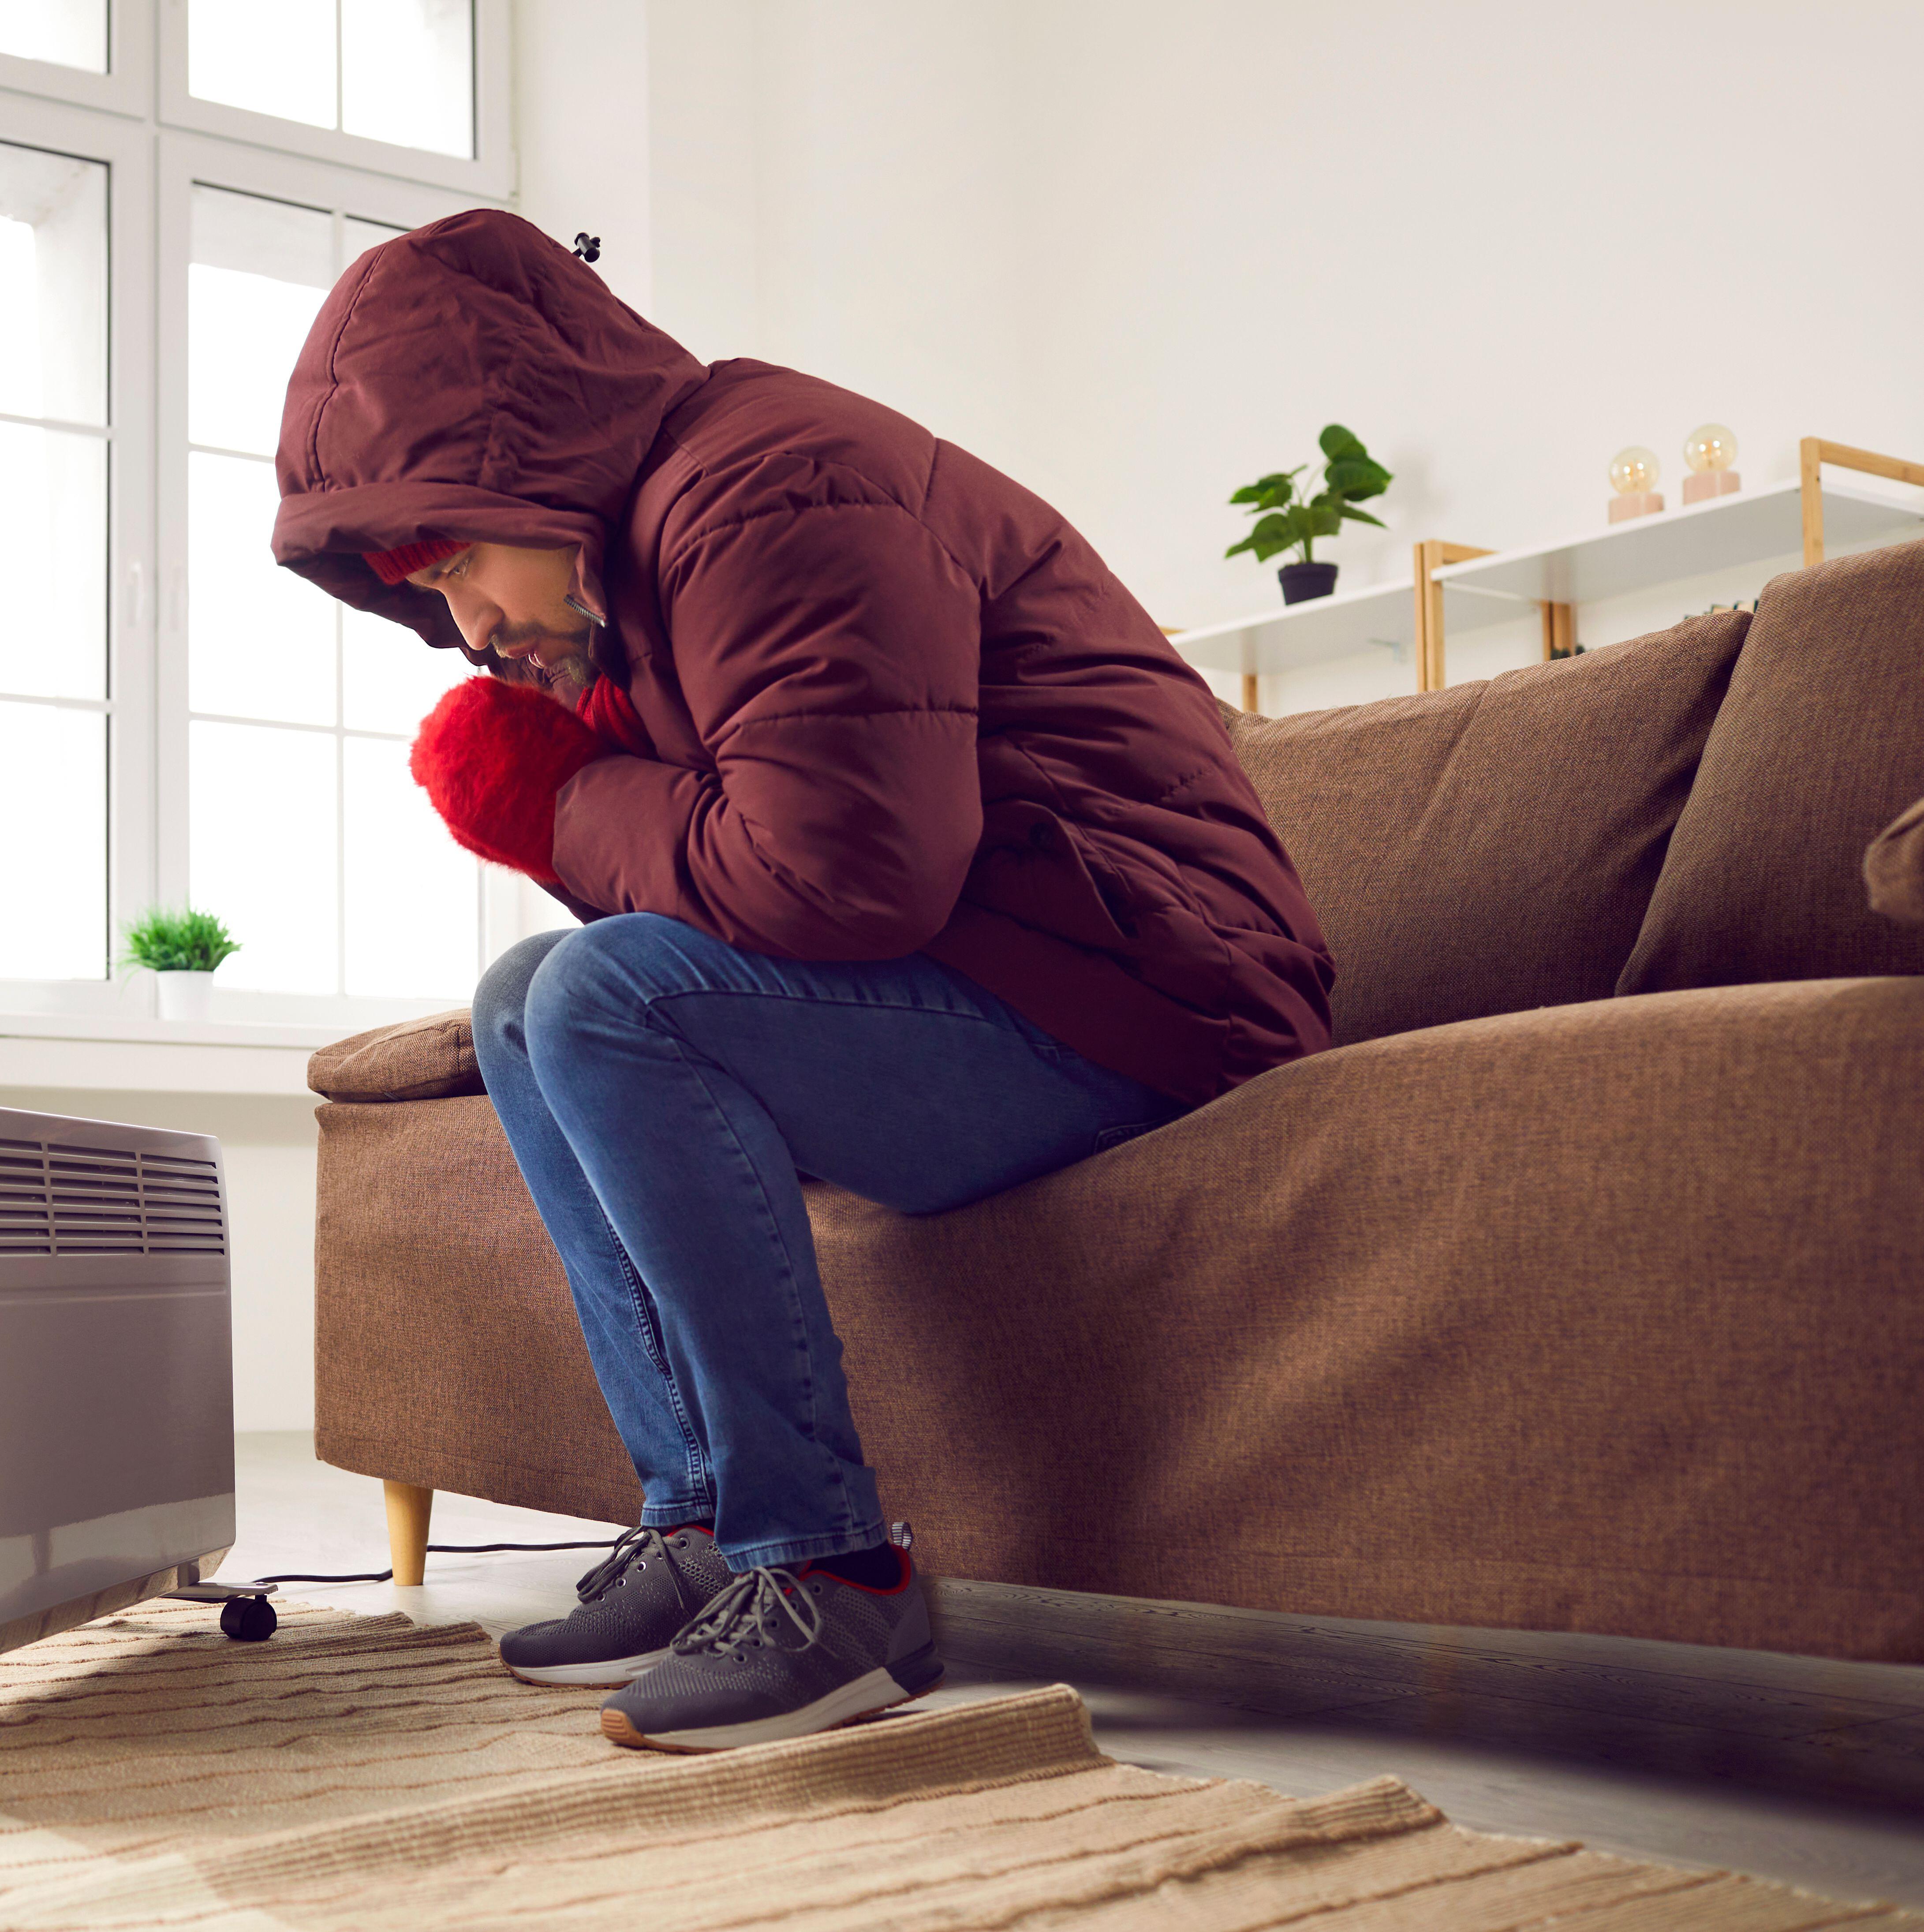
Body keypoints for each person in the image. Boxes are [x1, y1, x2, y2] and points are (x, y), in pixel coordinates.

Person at [272, 211, 1333, 1753]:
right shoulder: (642, 564)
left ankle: (827, 1569)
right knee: (525, 996)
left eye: (462, 564)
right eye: (427, 592)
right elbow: (757, 864)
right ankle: (702, 1525)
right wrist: (585, 781)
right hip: (1016, 961)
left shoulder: (775, 488)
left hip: (1151, 1001)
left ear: (537, 469)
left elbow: (840, 876)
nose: (471, 628)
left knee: (597, 995)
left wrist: (564, 803)